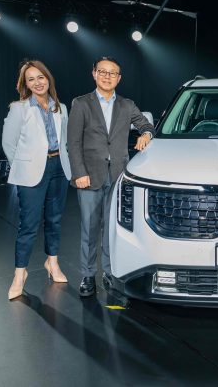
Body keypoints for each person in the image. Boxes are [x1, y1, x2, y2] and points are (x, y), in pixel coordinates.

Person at [67, 56, 154, 297]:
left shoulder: (127, 105)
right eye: (103, 72)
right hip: (89, 176)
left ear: (119, 78)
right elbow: (73, 142)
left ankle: (108, 271)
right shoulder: (81, 104)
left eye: (112, 73)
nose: (107, 76)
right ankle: (87, 275)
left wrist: (146, 135)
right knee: (89, 228)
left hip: (117, 177)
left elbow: (147, 125)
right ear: (94, 74)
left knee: (111, 228)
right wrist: (79, 173)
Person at [2, 59, 72, 300]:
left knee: (54, 220)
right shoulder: (19, 108)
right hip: (31, 173)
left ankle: (52, 263)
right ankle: (20, 274)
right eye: (31, 79)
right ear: (26, 84)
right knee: (29, 225)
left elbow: (64, 141)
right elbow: (8, 143)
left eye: (40, 77)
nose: (37, 82)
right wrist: (23, 167)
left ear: (48, 78)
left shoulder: (61, 108)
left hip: (59, 168)